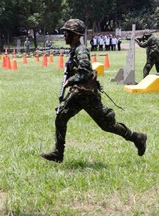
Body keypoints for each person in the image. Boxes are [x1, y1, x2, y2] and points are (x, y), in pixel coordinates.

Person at [40, 19, 147, 163]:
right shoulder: (74, 49)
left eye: (67, 33)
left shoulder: (81, 50)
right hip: (78, 94)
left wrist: (70, 80)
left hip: (87, 95)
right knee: (61, 117)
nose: (65, 35)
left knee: (107, 125)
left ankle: (137, 137)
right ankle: (59, 153)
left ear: (76, 35)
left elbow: (86, 72)